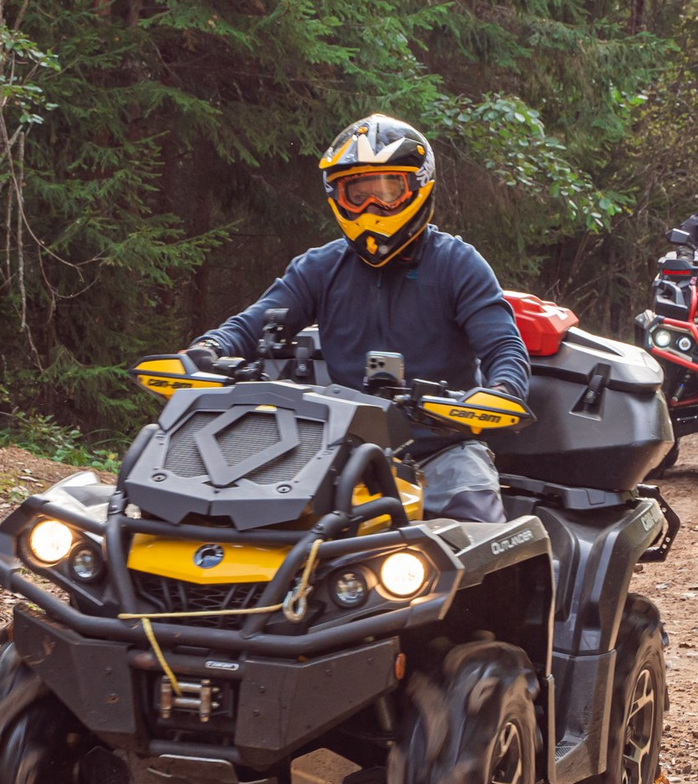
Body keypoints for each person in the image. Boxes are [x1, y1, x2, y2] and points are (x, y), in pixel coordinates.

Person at [187, 114, 529, 524]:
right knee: (244, 527)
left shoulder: (458, 263)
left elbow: (504, 346)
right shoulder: (319, 267)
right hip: (334, 452)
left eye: (387, 190)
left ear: (419, 187)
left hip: (443, 452)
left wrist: (503, 389)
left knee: (478, 546)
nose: (372, 206)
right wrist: (209, 350)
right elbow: (252, 323)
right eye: (358, 194)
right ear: (337, 196)